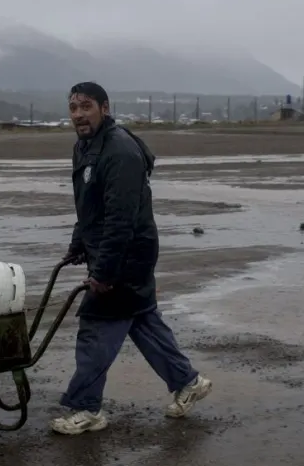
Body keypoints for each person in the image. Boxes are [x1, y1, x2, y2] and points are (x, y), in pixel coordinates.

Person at [51, 81, 212, 435]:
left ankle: (86, 407)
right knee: (140, 321)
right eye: (73, 107)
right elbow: (89, 207)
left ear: (104, 108)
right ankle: (188, 382)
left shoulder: (119, 151)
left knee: (96, 327)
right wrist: (79, 243)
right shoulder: (85, 147)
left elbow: (120, 219)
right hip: (113, 250)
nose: (78, 113)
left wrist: (105, 271)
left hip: (128, 255)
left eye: (86, 106)